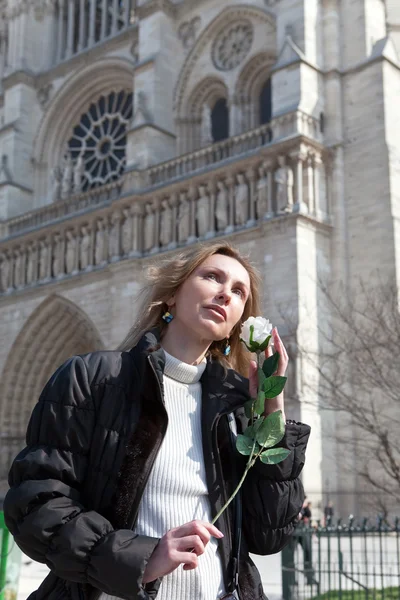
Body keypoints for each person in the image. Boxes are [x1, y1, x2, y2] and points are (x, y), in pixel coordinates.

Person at [4, 241, 310, 600]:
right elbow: (37, 504)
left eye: (239, 291)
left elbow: (269, 535)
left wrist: (272, 410)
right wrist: (143, 559)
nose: (225, 294)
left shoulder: (237, 404)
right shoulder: (94, 379)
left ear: (235, 326)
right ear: (171, 295)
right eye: (212, 277)